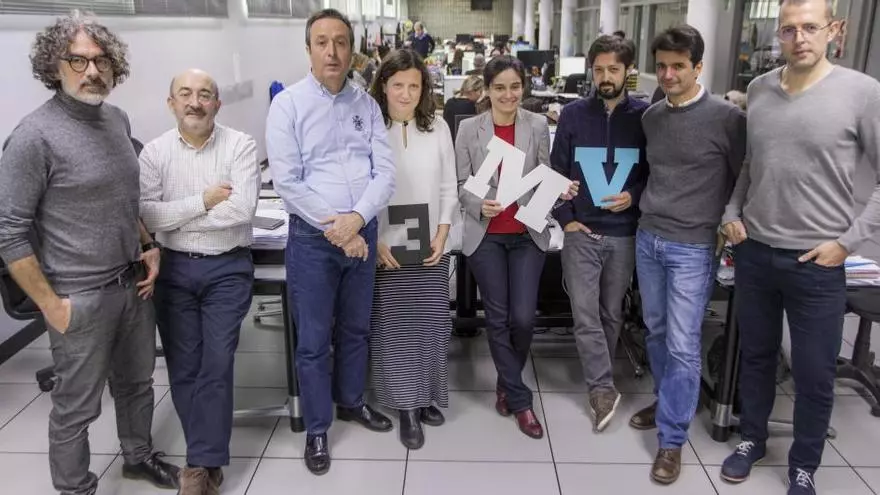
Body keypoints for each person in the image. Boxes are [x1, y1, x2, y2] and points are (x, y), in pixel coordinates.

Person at [0, 11, 180, 494]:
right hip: (78, 296)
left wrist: (148, 245)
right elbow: (9, 233)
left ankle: (138, 458)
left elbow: (125, 199)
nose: (92, 71)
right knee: (76, 408)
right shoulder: (33, 137)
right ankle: (76, 487)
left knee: (137, 384)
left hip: (132, 284)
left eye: (101, 60)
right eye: (77, 61)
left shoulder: (116, 119)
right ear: (53, 66)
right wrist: (51, 306)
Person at [719, 1, 880, 493]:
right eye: (789, 29)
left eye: (811, 27)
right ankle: (752, 438)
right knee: (756, 357)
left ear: (835, 30)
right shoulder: (759, 89)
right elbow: (752, 165)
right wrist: (731, 213)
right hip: (756, 252)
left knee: (813, 373)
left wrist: (847, 242)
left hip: (817, 262)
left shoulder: (862, 92)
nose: (799, 38)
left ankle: (804, 464)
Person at [265, 8, 396, 476]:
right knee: (315, 339)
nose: (332, 51)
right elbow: (287, 182)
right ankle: (318, 428)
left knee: (357, 328)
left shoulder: (367, 105)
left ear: (352, 50)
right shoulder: (288, 105)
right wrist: (338, 229)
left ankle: (351, 401)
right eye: (322, 42)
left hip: (362, 232)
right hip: (314, 240)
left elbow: (385, 173)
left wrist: (357, 220)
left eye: (341, 42)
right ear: (309, 50)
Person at [632, 25, 746, 484]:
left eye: (678, 66)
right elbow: (652, 173)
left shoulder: (727, 118)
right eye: (661, 66)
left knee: (682, 342)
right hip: (649, 237)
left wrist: (729, 222)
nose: (668, 75)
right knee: (656, 332)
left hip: (694, 246)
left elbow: (744, 178)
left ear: (698, 67)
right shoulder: (652, 117)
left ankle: (672, 439)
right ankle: (668, 401)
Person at [139, 69, 260, 494]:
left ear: (217, 104)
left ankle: (197, 466)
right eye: (186, 94)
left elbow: (242, 210)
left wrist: (177, 215)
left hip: (227, 269)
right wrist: (205, 201)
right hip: (173, 271)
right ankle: (208, 461)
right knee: (183, 365)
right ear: (171, 102)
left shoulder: (240, 145)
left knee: (216, 362)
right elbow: (147, 215)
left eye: (205, 94)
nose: (195, 102)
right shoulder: (154, 153)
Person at [455, 55, 577, 440]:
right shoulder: (469, 129)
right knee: (498, 316)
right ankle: (520, 400)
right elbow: (460, 183)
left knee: (523, 318)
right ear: (487, 90)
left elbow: (544, 175)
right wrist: (479, 204)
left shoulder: (537, 124)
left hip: (526, 233)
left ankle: (506, 381)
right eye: (499, 88)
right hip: (486, 235)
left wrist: (560, 189)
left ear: (523, 87)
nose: (508, 95)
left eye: (514, 87)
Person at [551, 35, 649, 433]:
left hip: (624, 234)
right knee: (585, 314)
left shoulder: (645, 116)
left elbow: (653, 174)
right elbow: (557, 172)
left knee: (611, 312)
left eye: (613, 69)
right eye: (599, 69)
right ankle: (602, 388)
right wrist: (566, 219)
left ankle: (600, 375)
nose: (605, 77)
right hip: (582, 231)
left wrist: (634, 196)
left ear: (628, 71)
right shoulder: (573, 115)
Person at [367, 49, 458, 450]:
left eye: (414, 86)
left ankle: (425, 396)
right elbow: (359, 189)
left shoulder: (437, 127)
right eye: (397, 85)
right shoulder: (369, 130)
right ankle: (405, 406)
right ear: (383, 86)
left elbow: (448, 185)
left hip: (430, 243)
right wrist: (374, 239)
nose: (405, 94)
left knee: (431, 325)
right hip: (385, 244)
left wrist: (443, 231)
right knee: (395, 329)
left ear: (424, 89)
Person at [443, 75, 484, 142]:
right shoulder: (473, 107)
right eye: (481, 92)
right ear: (474, 91)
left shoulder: (449, 103)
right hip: (465, 145)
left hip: (449, 143)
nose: (480, 95)